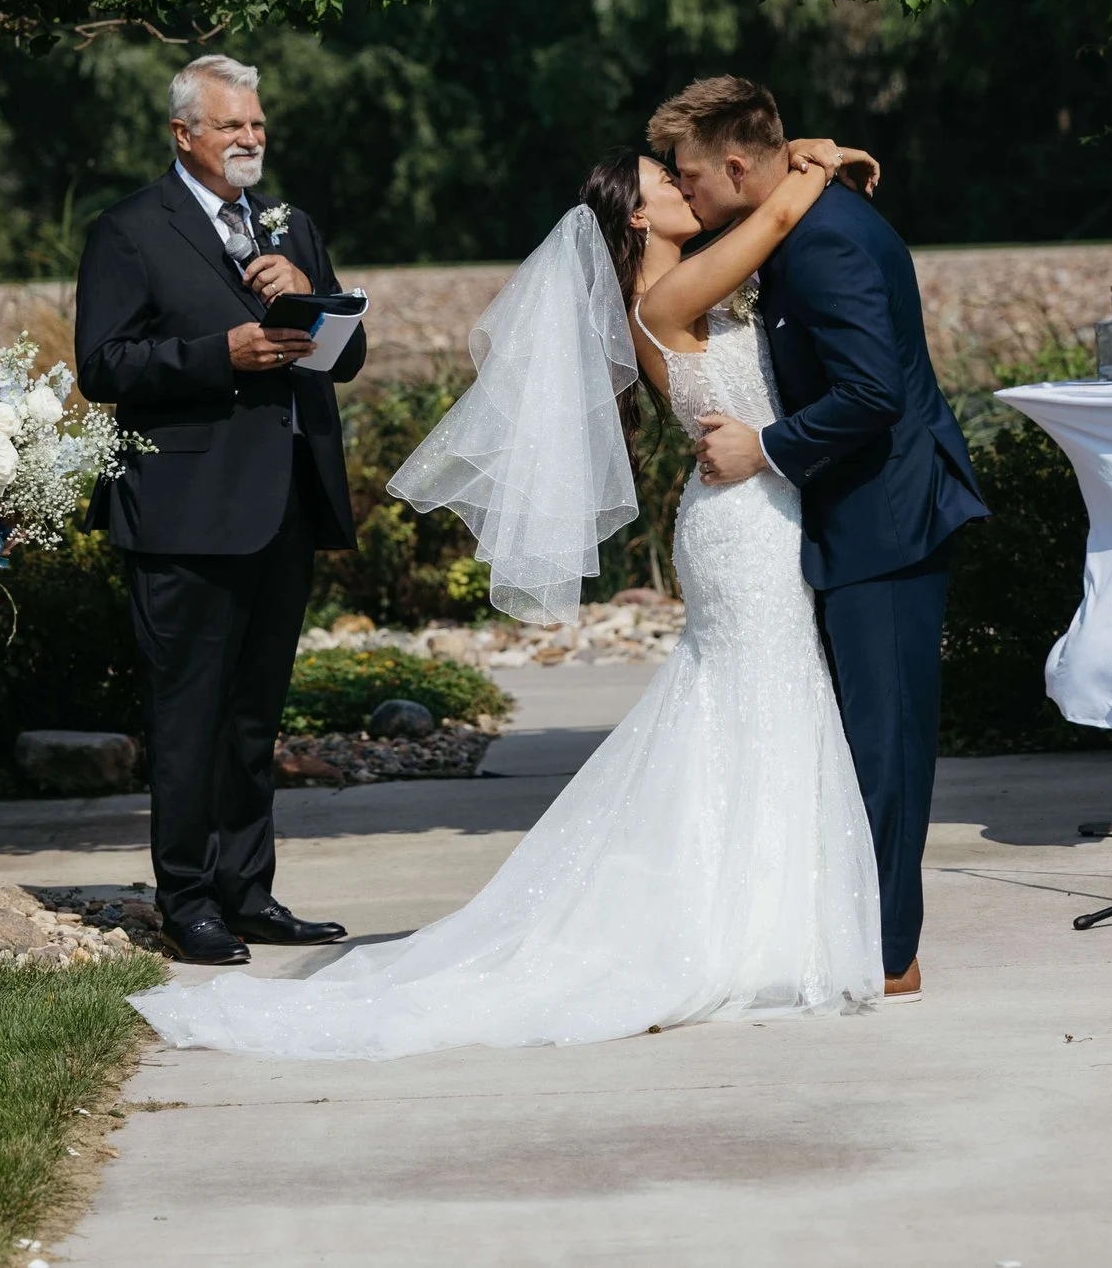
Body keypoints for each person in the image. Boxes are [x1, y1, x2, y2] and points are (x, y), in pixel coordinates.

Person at [132, 139, 884, 1060]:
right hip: (743, 523)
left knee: (760, 710)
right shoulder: (663, 300)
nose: (686, 185)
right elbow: (771, 214)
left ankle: (772, 918)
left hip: (755, 508)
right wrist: (806, 164)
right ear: (639, 216)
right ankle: (756, 929)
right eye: (665, 179)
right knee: (754, 703)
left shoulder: (705, 279)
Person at [678, 79, 989, 1002]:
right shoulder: (798, 217)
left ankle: (891, 951)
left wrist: (764, 448)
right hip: (854, 515)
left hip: (887, 517)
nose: (687, 194)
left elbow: (871, 395)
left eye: (693, 177)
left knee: (887, 738)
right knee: (866, 735)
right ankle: (866, 930)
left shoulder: (823, 244)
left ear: (738, 166)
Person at [73, 55, 367, 966]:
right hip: (185, 508)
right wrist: (218, 353)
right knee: (190, 714)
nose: (250, 140)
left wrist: (308, 304)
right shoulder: (129, 229)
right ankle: (187, 898)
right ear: (184, 134)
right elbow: (103, 364)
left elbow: (344, 359)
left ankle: (249, 891)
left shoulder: (291, 226)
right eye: (232, 126)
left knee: (253, 718)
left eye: (258, 125)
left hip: (285, 500)